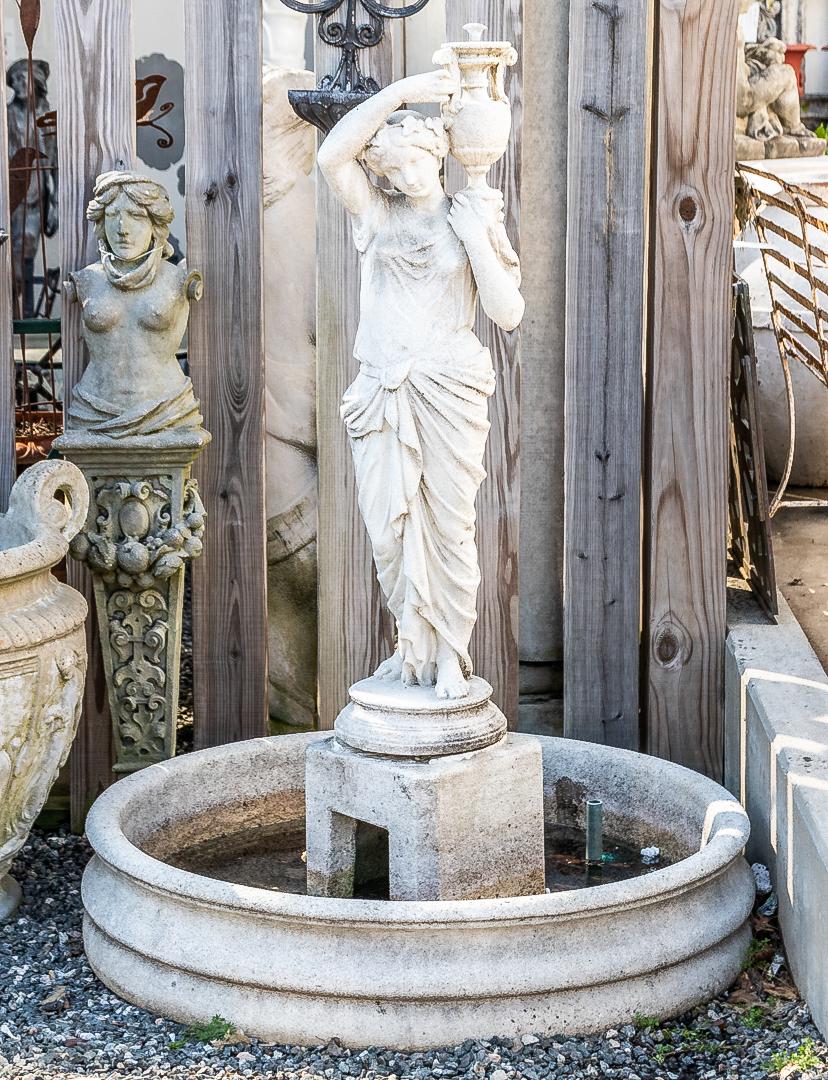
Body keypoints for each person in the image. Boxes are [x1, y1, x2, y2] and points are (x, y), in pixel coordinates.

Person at [317, 68, 524, 700]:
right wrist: (404, 95)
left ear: (438, 157)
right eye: (393, 169)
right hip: (383, 388)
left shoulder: (471, 217)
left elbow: (508, 312)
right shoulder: (377, 216)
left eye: (414, 164)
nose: (404, 178)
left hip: (445, 388)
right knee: (391, 531)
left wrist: (475, 239)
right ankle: (412, 644)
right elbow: (331, 156)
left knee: (447, 525)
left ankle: (452, 657)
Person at [64, 171, 203, 438]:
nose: (122, 228)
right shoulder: (87, 279)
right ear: (101, 224)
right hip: (94, 411)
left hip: (166, 410)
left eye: (136, 216)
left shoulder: (178, 279)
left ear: (156, 225)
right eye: (113, 216)